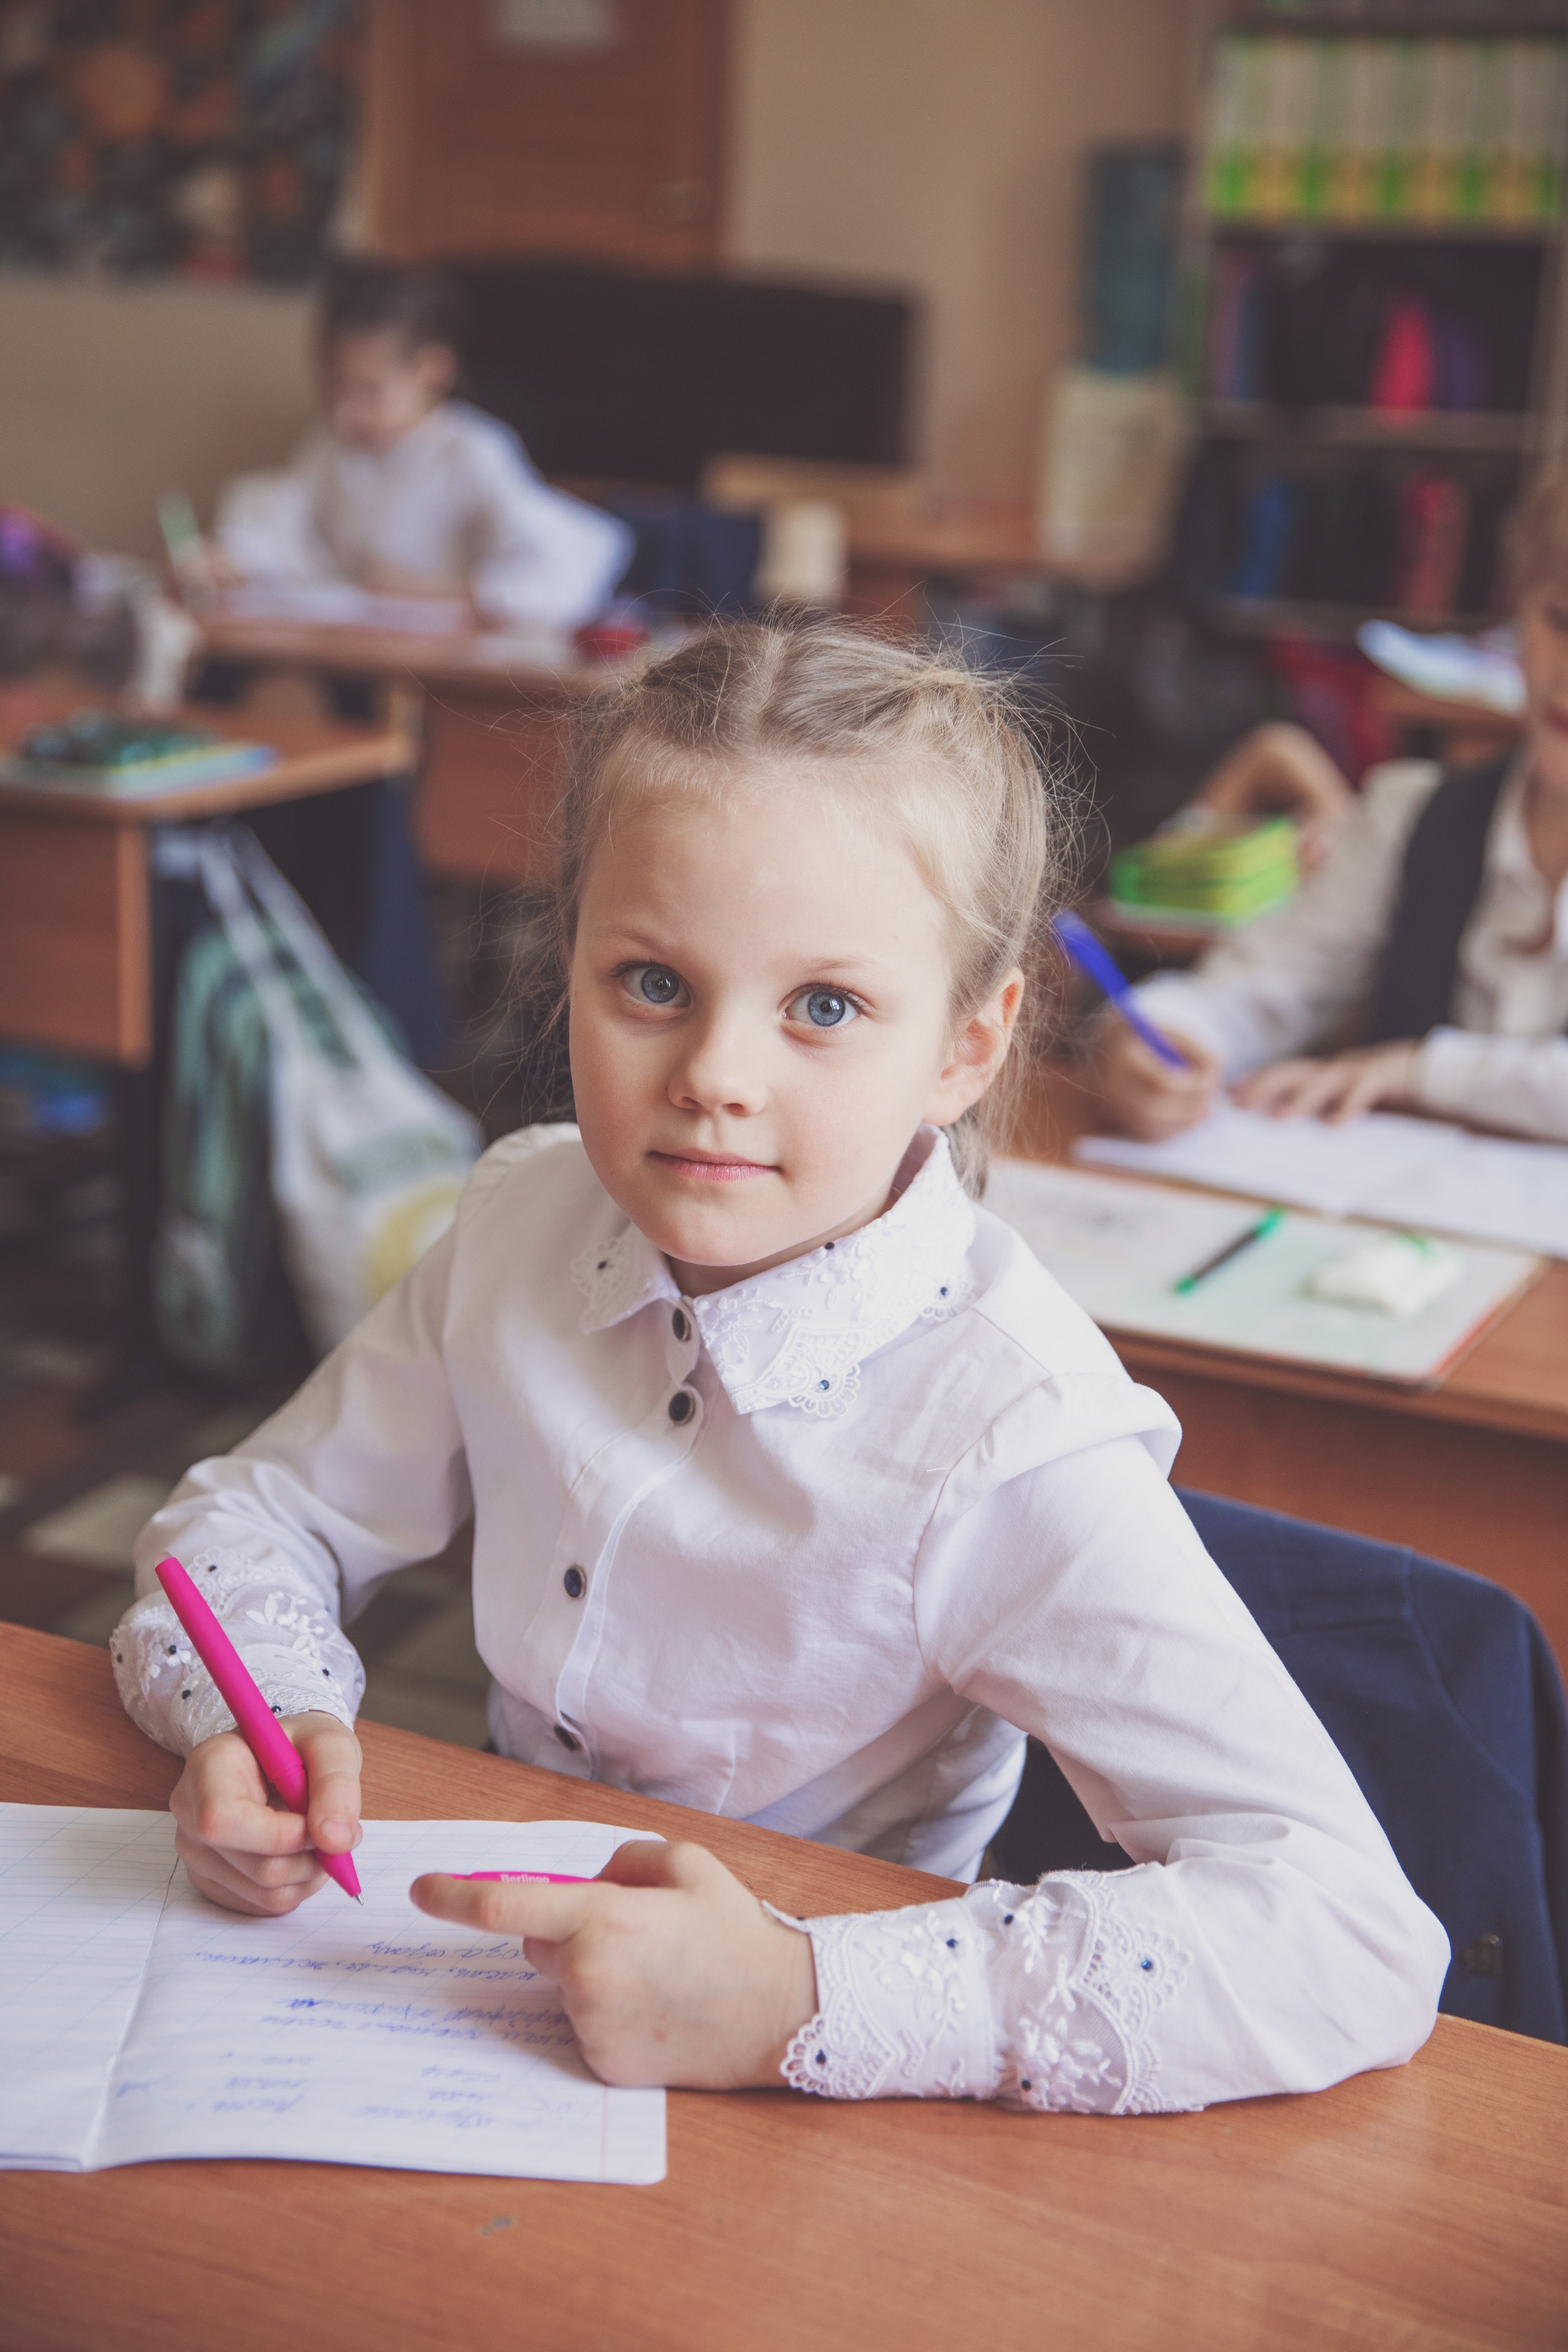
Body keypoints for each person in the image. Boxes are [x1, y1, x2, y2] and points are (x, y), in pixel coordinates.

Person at [113, 620, 1444, 2114]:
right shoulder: (520, 1218)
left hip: (809, 2079)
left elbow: (1350, 1932)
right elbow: (249, 1519)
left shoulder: (1004, 1439)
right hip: (488, 2005)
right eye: (650, 981)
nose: (714, 1075)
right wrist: (263, 1719)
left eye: (823, 1007)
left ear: (965, 1044)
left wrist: (801, 1996)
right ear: (568, 966)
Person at [1092, 469, 1568, 1144]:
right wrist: (1164, 1039)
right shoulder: (1410, 816)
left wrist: (1417, 1070)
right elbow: (1262, 985)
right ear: (1519, 608)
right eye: (1561, 620)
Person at [213, 258, 631, 631]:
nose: (344, 413)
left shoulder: (472, 450)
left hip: (443, 664)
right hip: (351, 641)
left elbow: (559, 570)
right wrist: (233, 561)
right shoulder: (335, 442)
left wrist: (430, 591)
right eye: (333, 391)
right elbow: (289, 525)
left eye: (368, 391)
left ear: (433, 369)